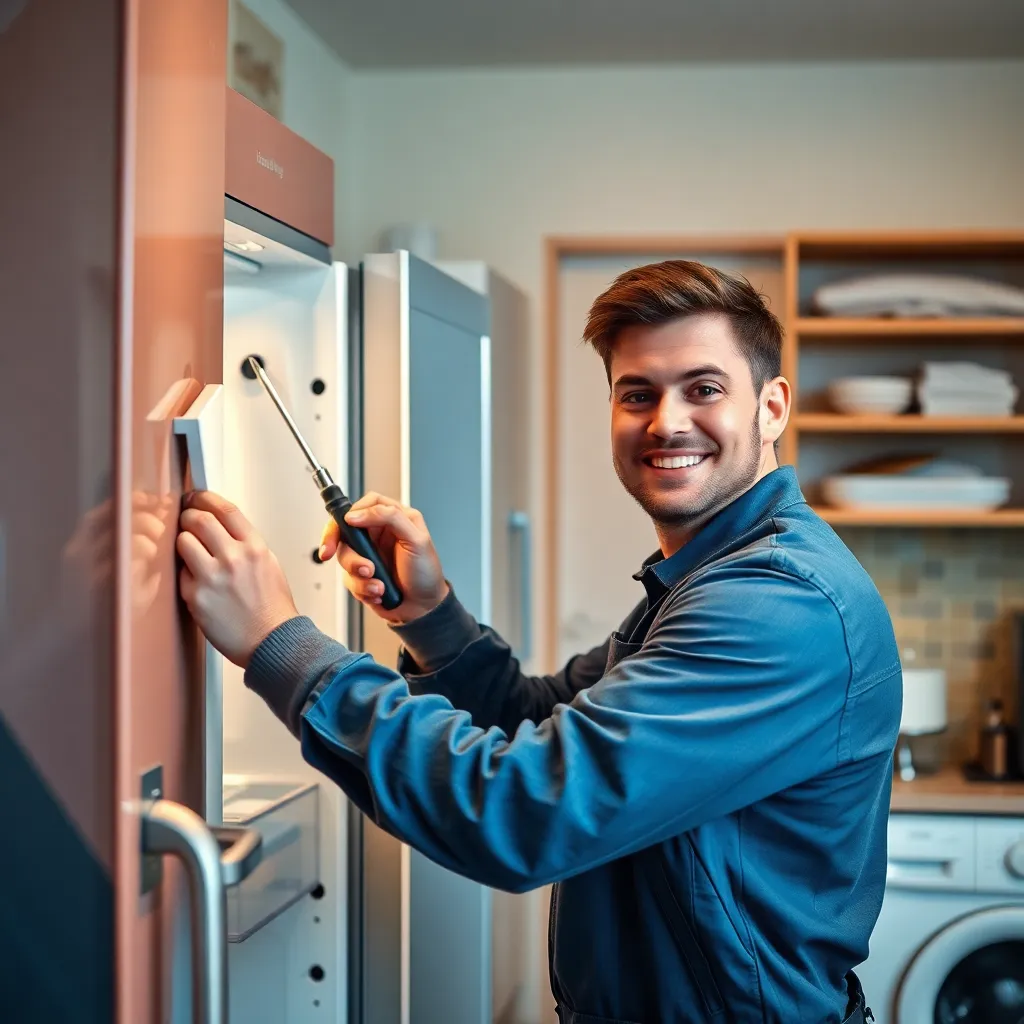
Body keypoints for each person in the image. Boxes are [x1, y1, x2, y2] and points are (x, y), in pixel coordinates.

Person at [178, 260, 900, 1023]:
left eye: (705, 388)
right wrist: (431, 616)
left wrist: (280, 644)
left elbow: (525, 808)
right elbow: (535, 720)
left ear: (773, 405)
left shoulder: (777, 605)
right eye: (637, 394)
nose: (667, 421)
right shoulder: (705, 580)